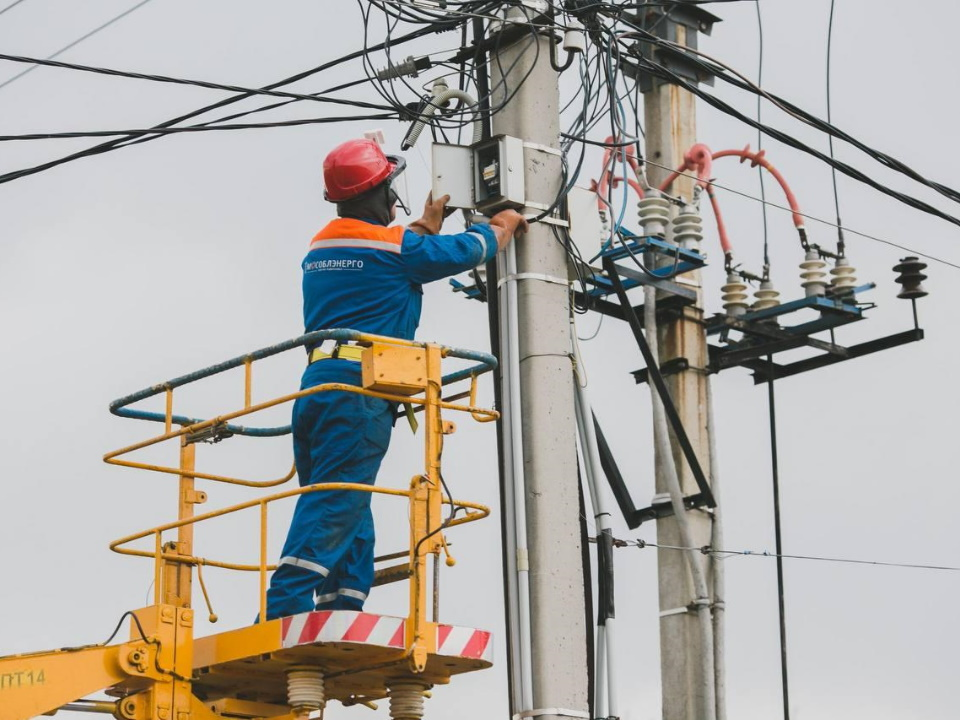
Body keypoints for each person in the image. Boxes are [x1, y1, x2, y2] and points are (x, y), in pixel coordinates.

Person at [265, 137, 527, 619]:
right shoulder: (396, 248)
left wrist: (422, 228)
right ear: (377, 192)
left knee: (348, 501)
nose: (395, 198)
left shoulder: (325, 243)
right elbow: (468, 249)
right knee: (338, 499)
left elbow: (389, 256)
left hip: (320, 384)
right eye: (391, 187)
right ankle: (285, 606)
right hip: (359, 390)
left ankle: (340, 607)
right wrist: (503, 225)